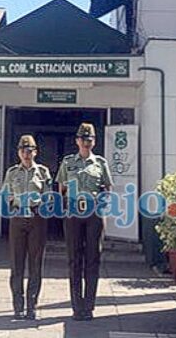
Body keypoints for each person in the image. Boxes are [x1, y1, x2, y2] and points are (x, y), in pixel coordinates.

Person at [56, 123, 113, 321]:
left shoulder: (100, 163)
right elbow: (61, 188)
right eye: (83, 139)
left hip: (94, 215)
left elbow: (107, 188)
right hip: (73, 213)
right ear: (77, 141)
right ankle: (76, 306)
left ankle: (88, 306)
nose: (86, 143)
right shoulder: (68, 162)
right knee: (74, 259)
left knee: (92, 259)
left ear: (94, 142)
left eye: (90, 140)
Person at [1, 135, 51, 321]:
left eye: (30, 150)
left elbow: (48, 195)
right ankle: (18, 306)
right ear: (19, 152)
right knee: (16, 264)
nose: (26, 154)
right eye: (23, 150)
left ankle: (32, 306)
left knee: (35, 264)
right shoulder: (12, 172)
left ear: (35, 152)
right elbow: (6, 194)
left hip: (37, 218)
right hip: (17, 218)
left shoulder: (43, 172)